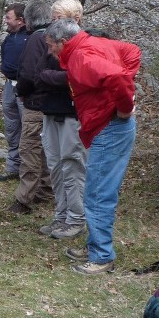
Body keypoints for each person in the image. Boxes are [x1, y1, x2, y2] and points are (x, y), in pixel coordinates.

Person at [46, 18, 141, 274]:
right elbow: (132, 52)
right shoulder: (92, 43)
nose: (49, 51)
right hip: (106, 126)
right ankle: (95, 245)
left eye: (51, 45)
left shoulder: (80, 58)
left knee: (98, 193)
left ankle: (101, 256)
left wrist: (123, 107)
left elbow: (119, 76)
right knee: (97, 189)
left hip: (110, 128)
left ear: (64, 42)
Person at [35, 0, 88, 240]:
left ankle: (76, 219)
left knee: (72, 164)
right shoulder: (52, 43)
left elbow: (75, 78)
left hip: (72, 115)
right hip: (51, 111)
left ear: (75, 20)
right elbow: (37, 74)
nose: (53, 22)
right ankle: (61, 215)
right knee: (56, 165)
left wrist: (52, 78)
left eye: (59, 17)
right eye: (53, 17)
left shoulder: (86, 46)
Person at [11, 0, 55, 215]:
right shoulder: (55, 38)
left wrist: (21, 91)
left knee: (29, 150)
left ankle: (24, 199)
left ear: (28, 20)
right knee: (47, 151)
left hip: (35, 105)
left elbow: (28, 74)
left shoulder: (34, 40)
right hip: (52, 105)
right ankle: (46, 190)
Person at [0, 3, 28, 182]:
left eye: (8, 17)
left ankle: (28, 168)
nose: (5, 21)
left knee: (28, 128)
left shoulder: (30, 39)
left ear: (20, 21)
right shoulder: (9, 39)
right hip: (9, 86)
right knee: (11, 127)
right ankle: (13, 166)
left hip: (24, 88)